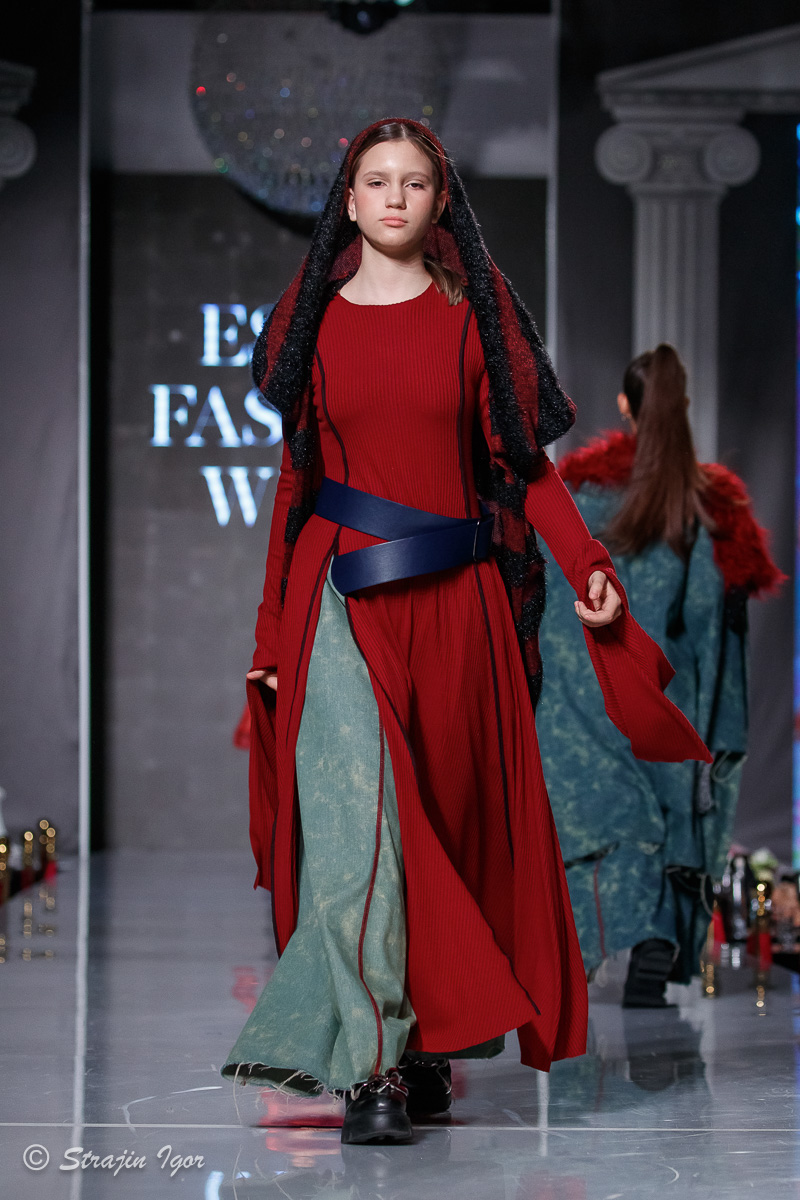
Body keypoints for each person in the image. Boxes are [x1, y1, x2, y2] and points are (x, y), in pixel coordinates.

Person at [221, 119, 710, 1145]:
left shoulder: (472, 322)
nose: (395, 198)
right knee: (356, 833)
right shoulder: (311, 325)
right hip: (340, 601)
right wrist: (270, 638)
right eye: (376, 182)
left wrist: (586, 567)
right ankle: (370, 1068)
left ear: (441, 201)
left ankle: (423, 1048)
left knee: (442, 827)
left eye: (414, 182)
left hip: (457, 605)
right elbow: (294, 488)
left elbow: (524, 469)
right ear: (348, 201)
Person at [536, 344, 784, 1007]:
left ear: (624, 406)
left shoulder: (580, 497)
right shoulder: (708, 507)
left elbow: (551, 602)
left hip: (588, 687)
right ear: (684, 406)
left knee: (600, 818)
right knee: (674, 808)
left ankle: (591, 948)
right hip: (672, 690)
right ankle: (657, 936)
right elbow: (711, 619)